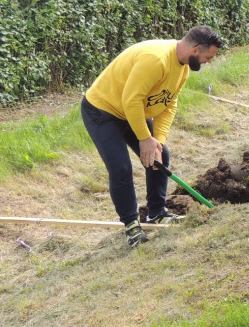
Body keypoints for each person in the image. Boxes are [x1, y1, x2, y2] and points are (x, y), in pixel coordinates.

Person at [81, 26, 222, 248]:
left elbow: (169, 104)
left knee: (160, 154)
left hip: (132, 111)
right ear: (196, 49)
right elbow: (131, 100)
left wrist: (157, 140)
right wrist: (144, 139)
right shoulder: (156, 60)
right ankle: (131, 225)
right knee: (121, 168)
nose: (209, 61)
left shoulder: (182, 67)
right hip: (103, 111)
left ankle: (157, 212)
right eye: (208, 56)